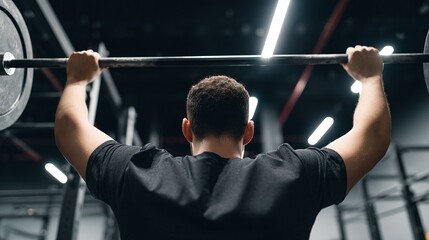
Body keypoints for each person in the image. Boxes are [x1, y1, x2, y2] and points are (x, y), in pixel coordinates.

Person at [55, 46, 390, 240]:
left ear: (187, 129)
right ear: (249, 131)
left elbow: (71, 129)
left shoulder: (137, 173)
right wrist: (371, 77)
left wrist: (76, 79)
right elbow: (372, 137)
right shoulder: (295, 175)